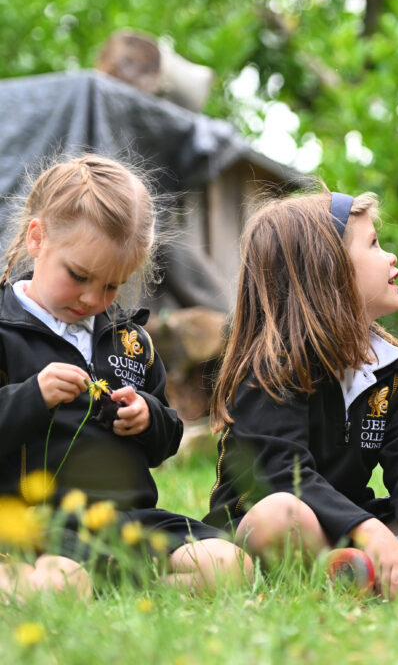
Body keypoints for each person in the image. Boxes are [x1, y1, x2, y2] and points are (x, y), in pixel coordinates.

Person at [204, 191, 398, 599]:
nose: (391, 257)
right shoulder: (272, 369)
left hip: (356, 529)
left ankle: (396, 569)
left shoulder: (389, 368)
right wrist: (368, 532)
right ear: (328, 271)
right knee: (281, 514)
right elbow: (284, 477)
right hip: (275, 527)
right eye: (374, 244)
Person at [0, 154, 252, 601]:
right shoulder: (6, 330)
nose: (92, 298)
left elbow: (167, 439)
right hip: (42, 523)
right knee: (60, 584)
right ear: (37, 238)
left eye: (112, 285)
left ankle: (120, 586)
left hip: (129, 520)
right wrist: (32, 396)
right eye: (79, 276)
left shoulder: (130, 341)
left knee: (231, 564)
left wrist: (148, 416)